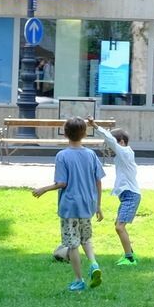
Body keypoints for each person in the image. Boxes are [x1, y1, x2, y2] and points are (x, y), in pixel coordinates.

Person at [31, 117, 106, 292]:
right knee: (86, 239)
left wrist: (44, 189)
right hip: (87, 204)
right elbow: (99, 181)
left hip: (69, 206)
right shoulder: (91, 154)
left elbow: (62, 183)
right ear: (85, 133)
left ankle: (79, 280)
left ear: (65, 133)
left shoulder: (62, 156)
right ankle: (94, 264)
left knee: (72, 244)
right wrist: (98, 205)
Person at [90, 125, 141, 264]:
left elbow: (109, 139)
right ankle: (131, 254)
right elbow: (111, 140)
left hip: (131, 195)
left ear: (122, 142)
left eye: (113, 143)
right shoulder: (123, 155)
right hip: (127, 195)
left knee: (120, 227)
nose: (110, 147)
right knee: (118, 225)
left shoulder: (125, 153)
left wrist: (95, 126)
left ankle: (129, 258)